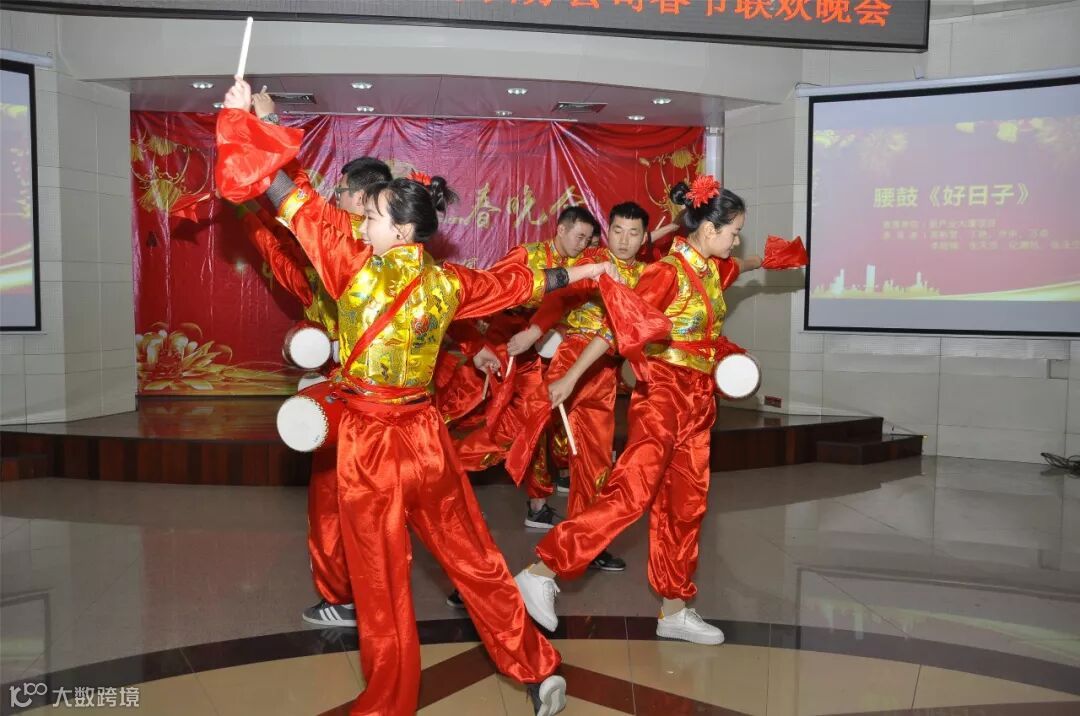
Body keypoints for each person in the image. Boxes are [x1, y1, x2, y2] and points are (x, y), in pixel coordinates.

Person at [217, 77, 621, 716]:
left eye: (372, 216)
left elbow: (285, 196)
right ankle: (538, 667)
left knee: (380, 581)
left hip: (371, 442)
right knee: (475, 558)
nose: (361, 221)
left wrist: (247, 122)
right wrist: (588, 269)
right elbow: (521, 284)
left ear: (402, 229)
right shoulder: (449, 283)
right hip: (428, 438)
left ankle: (387, 702)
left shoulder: (351, 264)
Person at [514, 177, 757, 647]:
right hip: (663, 398)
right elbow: (616, 328)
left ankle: (674, 609)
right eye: (734, 231)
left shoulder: (710, 270)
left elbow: (703, 335)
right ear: (710, 229)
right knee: (630, 493)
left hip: (698, 404)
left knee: (686, 506)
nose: (736, 240)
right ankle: (542, 570)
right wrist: (570, 377)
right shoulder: (667, 272)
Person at [249, 87, 395, 630]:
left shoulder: (344, 238)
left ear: (361, 199)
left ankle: (346, 597)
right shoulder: (408, 256)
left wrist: (268, 123)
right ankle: (388, 593)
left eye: (343, 192)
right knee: (392, 504)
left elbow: (298, 193)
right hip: (393, 404)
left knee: (334, 498)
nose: (334, 198)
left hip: (350, 395)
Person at [503, 201, 656, 573]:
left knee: (594, 461)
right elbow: (559, 300)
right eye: (617, 230)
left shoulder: (648, 276)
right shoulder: (593, 262)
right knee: (521, 429)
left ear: (643, 239)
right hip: (572, 360)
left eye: (633, 233)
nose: (624, 240)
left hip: (603, 374)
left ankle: (585, 541)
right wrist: (533, 332)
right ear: (608, 231)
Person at [453, 206, 601, 530]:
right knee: (487, 420)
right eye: (579, 236)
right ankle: (444, 477)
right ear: (561, 229)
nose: (583, 244)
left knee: (535, 420)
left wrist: (540, 331)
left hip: (534, 348)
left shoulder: (579, 264)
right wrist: (480, 342)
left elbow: (561, 304)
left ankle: (537, 503)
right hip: (502, 343)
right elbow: (489, 290)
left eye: (588, 239)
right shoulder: (525, 255)